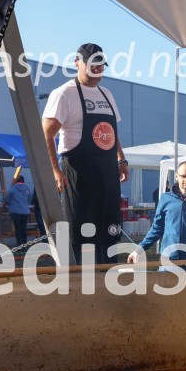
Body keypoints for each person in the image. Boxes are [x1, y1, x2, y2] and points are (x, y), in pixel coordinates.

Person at [42, 42, 128, 265]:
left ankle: (109, 274)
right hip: (78, 171)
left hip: (108, 171)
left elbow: (112, 132)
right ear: (77, 63)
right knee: (81, 231)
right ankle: (78, 279)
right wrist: (55, 170)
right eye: (92, 64)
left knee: (110, 228)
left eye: (101, 65)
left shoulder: (107, 94)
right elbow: (46, 134)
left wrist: (121, 159)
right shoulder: (64, 94)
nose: (97, 69)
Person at [127, 162, 186, 272]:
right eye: (183, 176)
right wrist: (139, 250)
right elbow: (156, 229)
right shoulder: (165, 199)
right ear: (176, 176)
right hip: (168, 261)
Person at [5, 175, 31, 246]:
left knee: (18, 228)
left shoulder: (12, 188)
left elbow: (7, 199)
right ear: (23, 181)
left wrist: (10, 204)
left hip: (15, 211)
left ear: (16, 181)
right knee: (24, 228)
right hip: (25, 211)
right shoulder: (27, 188)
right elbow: (29, 199)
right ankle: (24, 244)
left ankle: (19, 244)